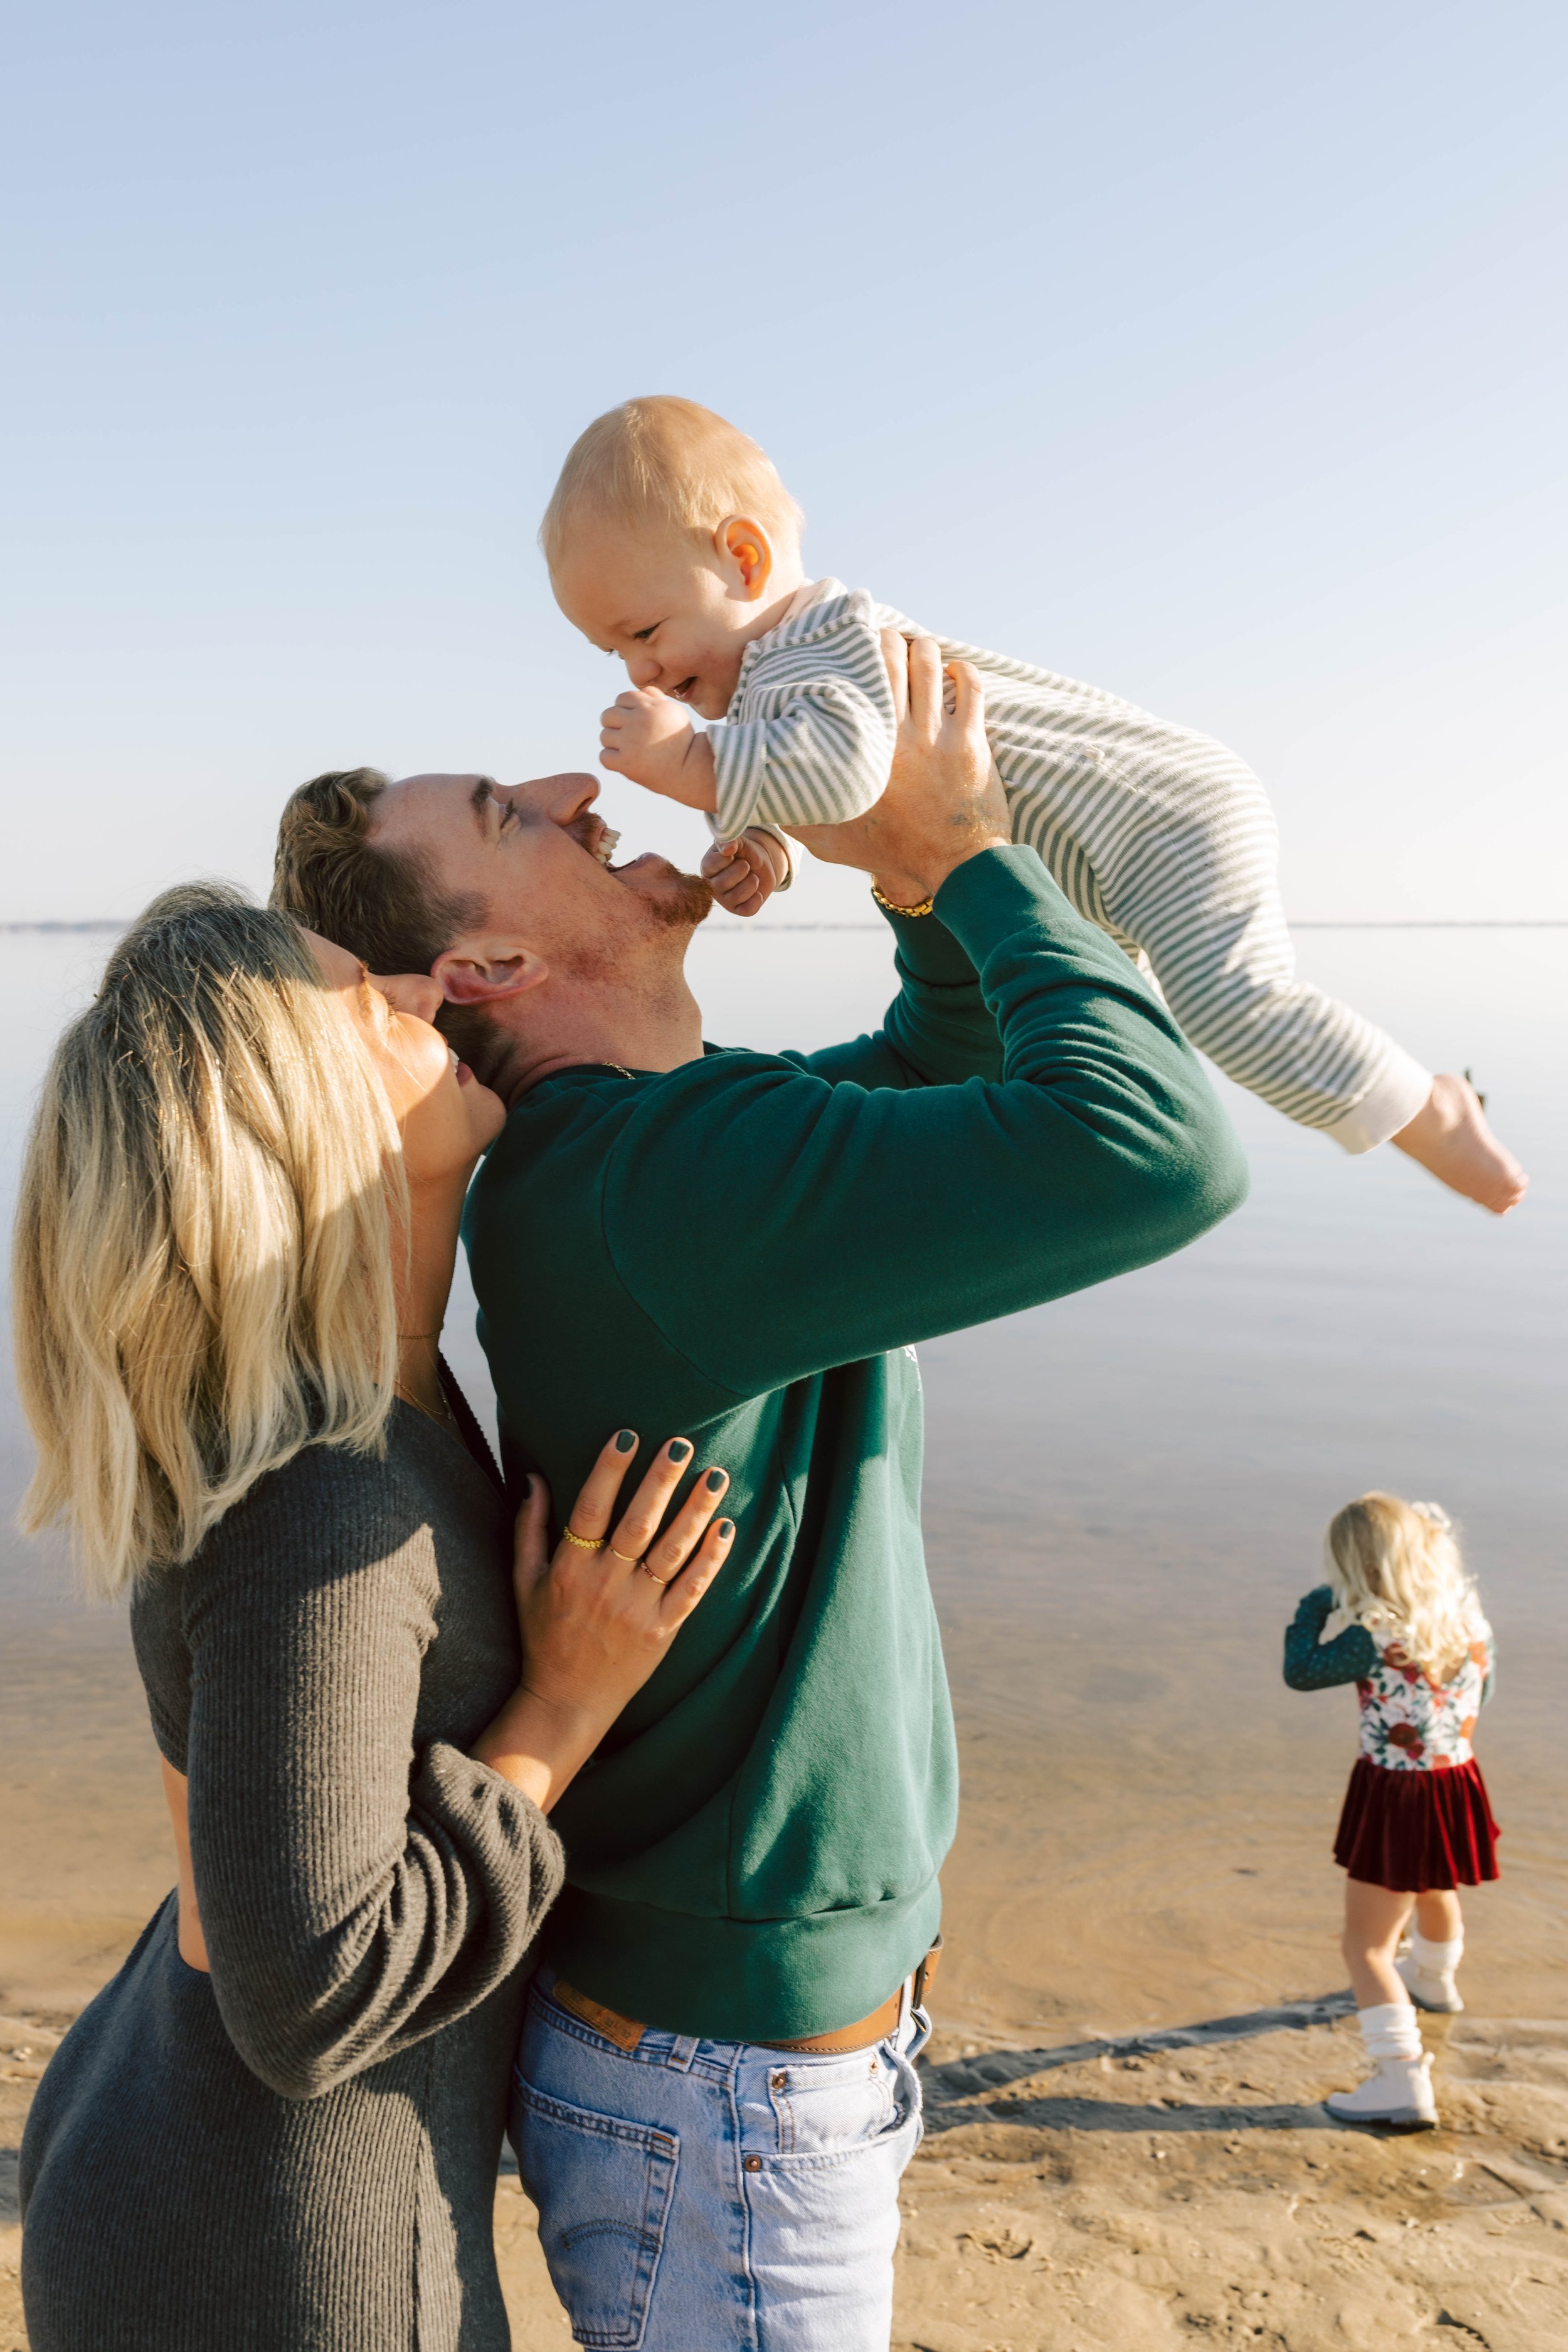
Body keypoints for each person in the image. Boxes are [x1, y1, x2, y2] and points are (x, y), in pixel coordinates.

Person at [271, 634, 1248, 2348]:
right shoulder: (656, 1192)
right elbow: (1153, 1145)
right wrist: (959, 857)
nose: (580, 786)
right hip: (719, 2086)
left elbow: (952, 1062)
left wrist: (890, 856)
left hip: (717, 2059)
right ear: (488, 958)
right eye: (513, 809)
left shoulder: (673, 1149)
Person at [14, 882, 734, 2352]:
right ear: (296, 1117)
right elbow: (309, 1993)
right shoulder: (322, 1494)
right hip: (276, 2250)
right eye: (367, 998)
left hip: (194, 2154)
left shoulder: (358, 1407)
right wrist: (563, 1706)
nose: (425, 994)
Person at [540, 393, 1527, 1218]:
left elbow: (843, 769)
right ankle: (1419, 1104)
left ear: (746, 561)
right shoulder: (773, 689)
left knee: (1235, 1006)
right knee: (1065, 1043)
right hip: (1091, 861)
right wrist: (767, 851)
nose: (641, 669)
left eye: (646, 628)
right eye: (612, 653)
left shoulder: (820, 635)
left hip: (1156, 815)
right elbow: (825, 786)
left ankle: (1430, 1110)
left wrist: (692, 765)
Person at [1283, 1490, 1498, 2131]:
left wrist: (1312, 1606)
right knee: (1434, 1886)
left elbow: (1300, 1671)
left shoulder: (1369, 1636)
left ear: (1354, 1568)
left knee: (1366, 1947)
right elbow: (1484, 1691)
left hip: (1395, 1789)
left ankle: (1398, 2078)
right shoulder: (1468, 1622)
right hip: (1453, 1780)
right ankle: (1433, 1981)